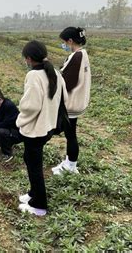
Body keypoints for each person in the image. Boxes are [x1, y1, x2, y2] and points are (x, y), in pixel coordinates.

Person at [16, 40, 67, 216]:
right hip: (48, 127)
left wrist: (20, 120)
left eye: (25, 58)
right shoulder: (55, 72)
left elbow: (30, 106)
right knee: (30, 160)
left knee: (34, 166)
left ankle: (39, 205)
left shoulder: (33, 76)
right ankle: (33, 194)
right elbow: (63, 97)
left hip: (35, 129)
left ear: (29, 59)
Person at [52, 27, 91, 175]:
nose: (64, 45)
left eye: (64, 42)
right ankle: (69, 162)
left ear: (70, 41)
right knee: (70, 134)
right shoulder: (82, 54)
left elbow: (68, 81)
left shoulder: (77, 56)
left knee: (70, 134)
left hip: (72, 103)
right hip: (77, 101)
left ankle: (71, 165)